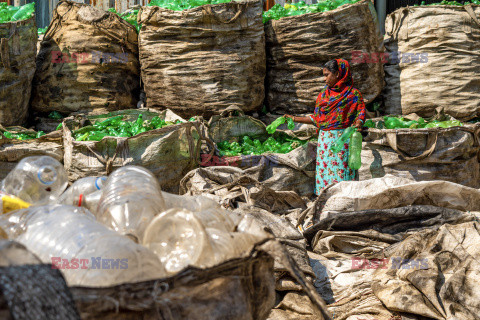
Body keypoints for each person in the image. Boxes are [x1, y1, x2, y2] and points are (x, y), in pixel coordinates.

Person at [285, 59, 366, 196]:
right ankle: (325, 201)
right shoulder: (324, 95)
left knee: (342, 173)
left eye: (327, 75)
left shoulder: (353, 94)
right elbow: (318, 119)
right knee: (325, 173)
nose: (324, 79)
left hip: (343, 141)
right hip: (325, 142)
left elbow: (361, 113)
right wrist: (294, 118)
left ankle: (343, 202)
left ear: (338, 74)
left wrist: (358, 123)